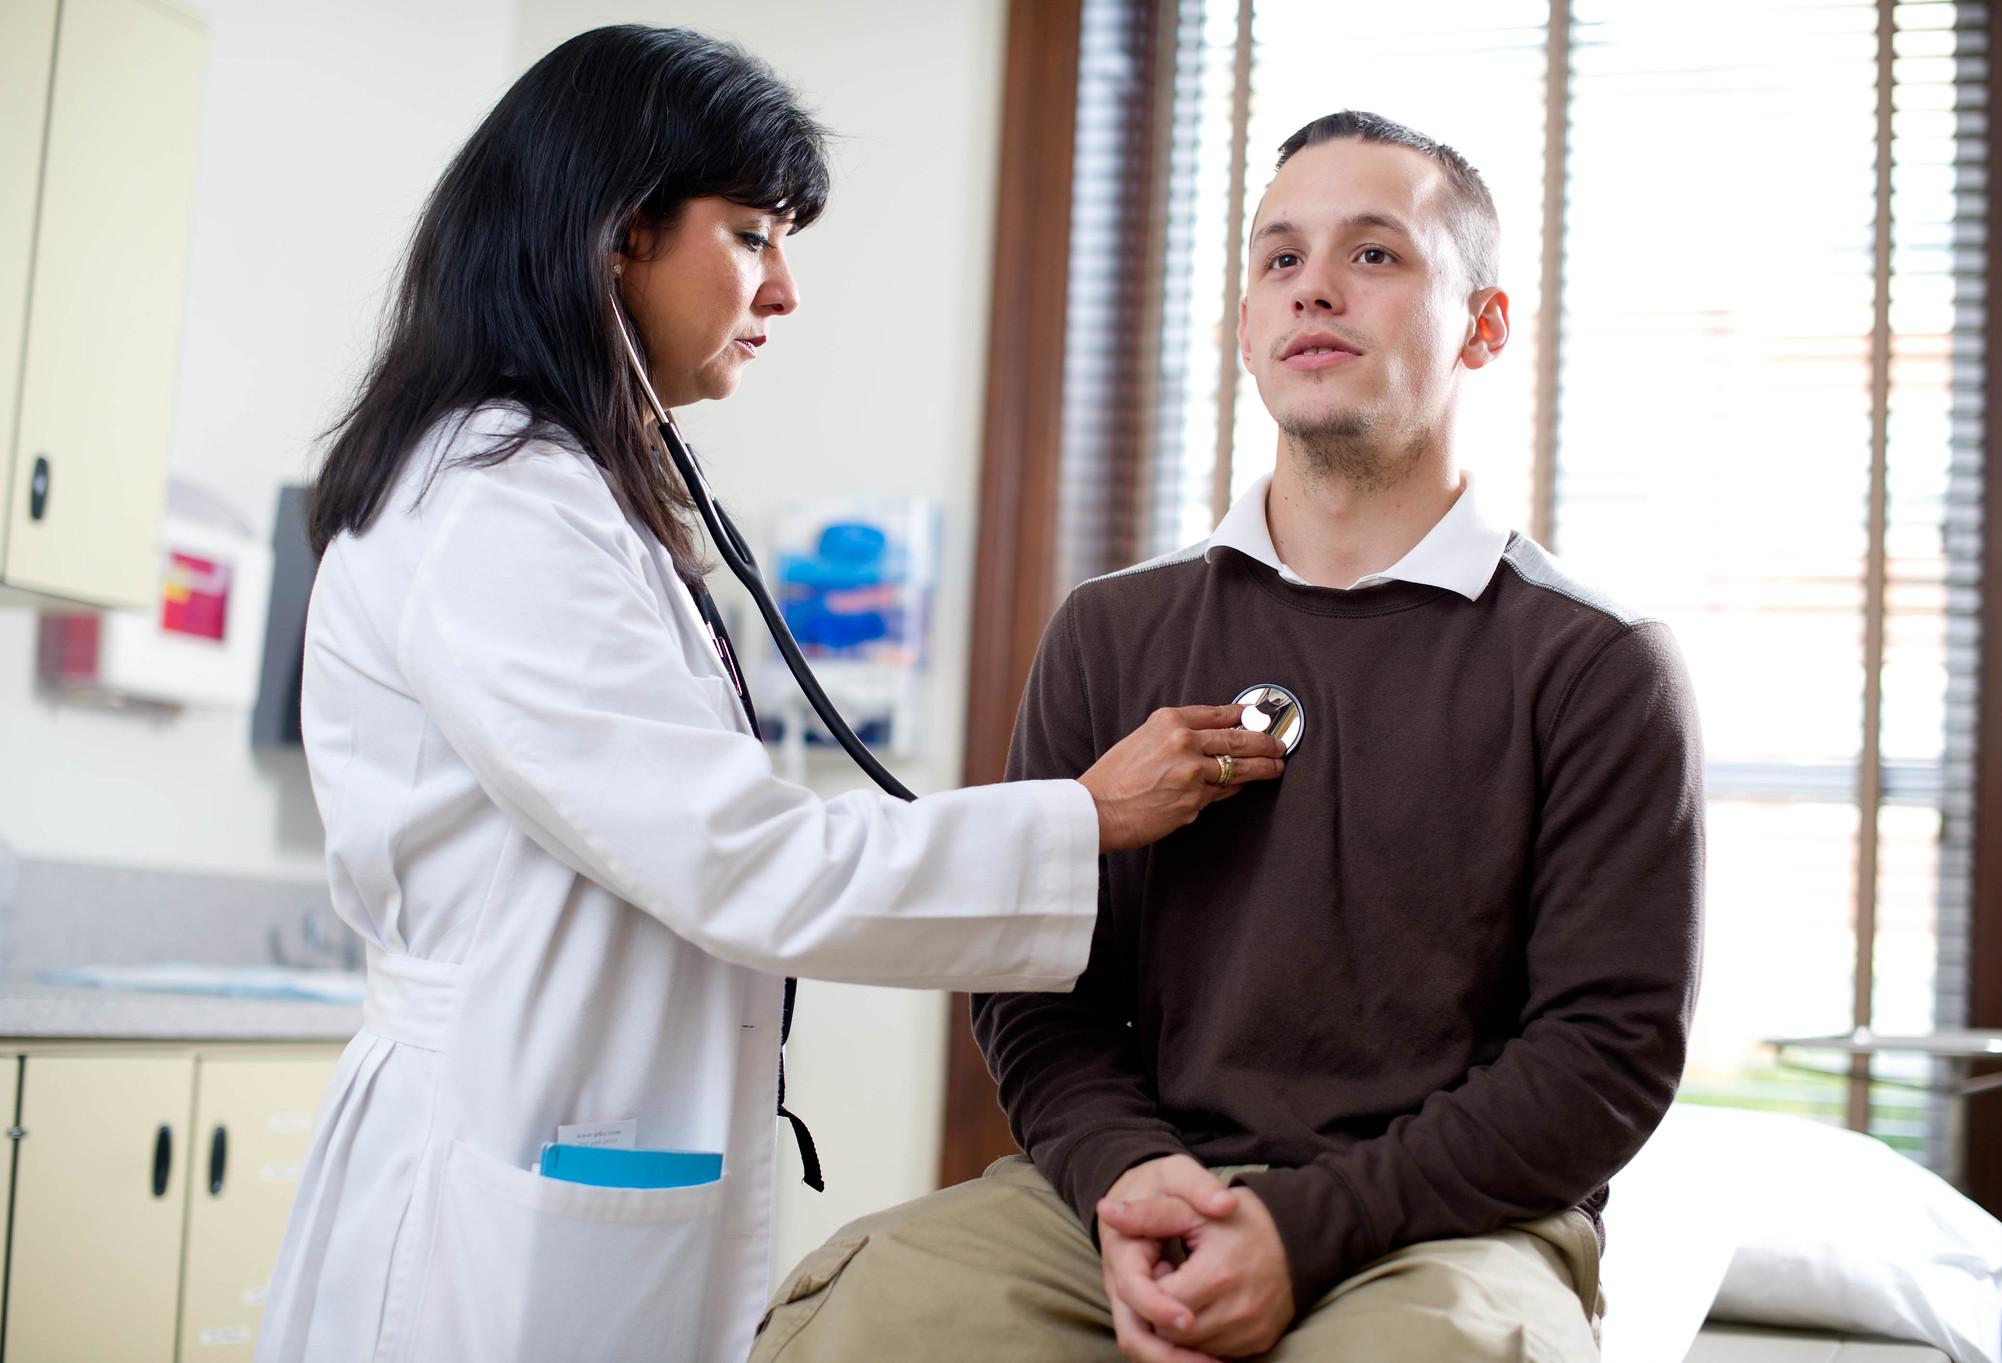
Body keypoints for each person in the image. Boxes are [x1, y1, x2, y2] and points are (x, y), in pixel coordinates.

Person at [254, 26, 1284, 1363]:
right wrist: (1084, 819)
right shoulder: (488, 507)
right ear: (615, 233)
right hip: (489, 1165)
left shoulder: (575, 497)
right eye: (751, 233)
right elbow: (742, 854)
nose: (783, 289)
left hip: (577, 1117)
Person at [751, 110, 1704, 1363]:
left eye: (1374, 255)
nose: (1314, 284)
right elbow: (1038, 994)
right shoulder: (1108, 630)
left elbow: (1604, 1054)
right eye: (1278, 258)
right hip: (1128, 1191)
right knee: (868, 1313)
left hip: (1448, 1224)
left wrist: (1304, 1225)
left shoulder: (1594, 661)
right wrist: (1130, 1177)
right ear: (1246, 327)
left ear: (1482, 326)